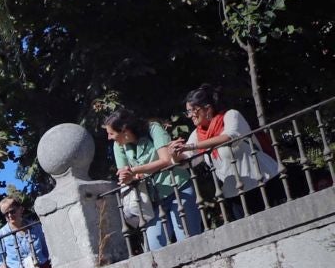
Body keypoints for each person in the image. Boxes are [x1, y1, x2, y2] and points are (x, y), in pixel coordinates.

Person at [177, 84, 280, 222]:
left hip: (264, 181)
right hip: (235, 194)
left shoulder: (231, 116)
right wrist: (175, 153)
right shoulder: (198, 134)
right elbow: (187, 160)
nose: (190, 116)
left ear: (207, 108)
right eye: (188, 112)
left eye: (193, 110)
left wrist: (191, 146)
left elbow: (229, 138)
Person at [104, 108, 202, 252]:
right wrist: (127, 178)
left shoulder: (153, 129)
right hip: (151, 202)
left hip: (177, 189)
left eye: (111, 133)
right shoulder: (118, 146)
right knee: (154, 249)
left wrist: (135, 171)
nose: (109, 137)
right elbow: (125, 175)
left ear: (124, 130)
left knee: (188, 241)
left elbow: (167, 160)